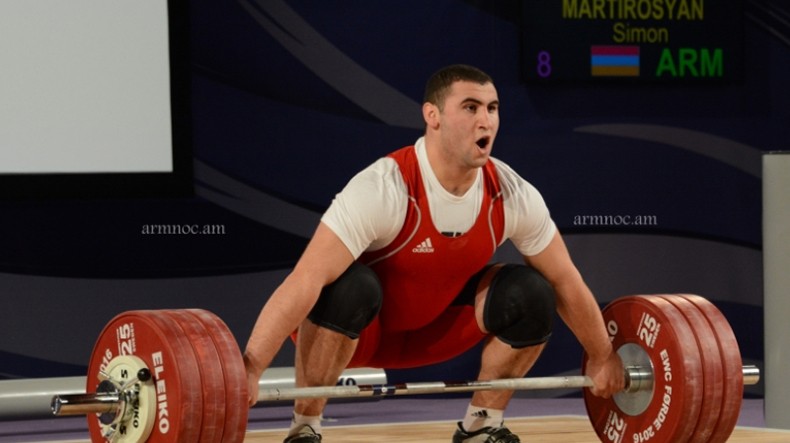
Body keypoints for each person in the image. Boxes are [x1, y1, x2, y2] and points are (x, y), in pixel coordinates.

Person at [243, 64, 624, 443]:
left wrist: (603, 356)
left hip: (438, 331)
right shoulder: (384, 187)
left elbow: (564, 279)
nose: (485, 121)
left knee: (533, 291)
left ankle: (481, 425)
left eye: (492, 108)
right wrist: (251, 367)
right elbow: (305, 278)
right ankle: (305, 428)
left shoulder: (510, 193)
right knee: (349, 283)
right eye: (471, 107)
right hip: (356, 334)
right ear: (433, 116)